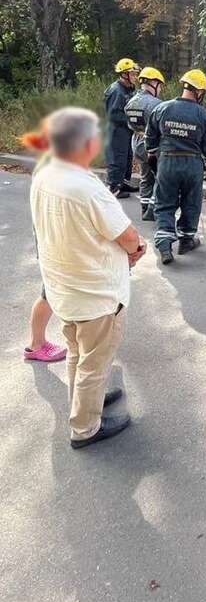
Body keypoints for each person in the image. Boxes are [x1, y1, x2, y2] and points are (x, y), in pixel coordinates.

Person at [29, 107, 146, 447]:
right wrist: (137, 249)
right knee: (94, 360)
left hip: (64, 289)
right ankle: (85, 428)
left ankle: (84, 402)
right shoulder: (85, 187)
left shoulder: (44, 174)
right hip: (96, 296)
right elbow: (127, 237)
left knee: (78, 352)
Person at [145, 69, 206, 265]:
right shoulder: (204, 116)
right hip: (193, 165)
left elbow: (150, 136)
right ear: (199, 91)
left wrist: (152, 154)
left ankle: (164, 246)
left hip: (167, 162)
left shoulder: (162, 108)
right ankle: (186, 240)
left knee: (164, 202)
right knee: (191, 202)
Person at [19, 125, 67, 363]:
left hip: (51, 241)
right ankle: (36, 344)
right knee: (50, 293)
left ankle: (37, 343)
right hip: (53, 243)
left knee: (52, 292)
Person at [124, 66, 165, 220]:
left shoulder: (130, 102)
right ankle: (153, 209)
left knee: (145, 176)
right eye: (159, 86)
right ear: (153, 83)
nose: (160, 89)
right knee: (160, 176)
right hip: (151, 145)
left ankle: (144, 208)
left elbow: (129, 124)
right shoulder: (156, 104)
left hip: (136, 142)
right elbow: (160, 128)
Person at [104, 58, 139, 197]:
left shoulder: (128, 88)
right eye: (132, 73)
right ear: (124, 74)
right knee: (117, 158)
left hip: (125, 130)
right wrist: (131, 121)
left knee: (127, 157)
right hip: (116, 130)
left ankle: (123, 183)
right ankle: (113, 187)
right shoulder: (116, 91)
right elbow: (113, 115)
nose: (135, 76)